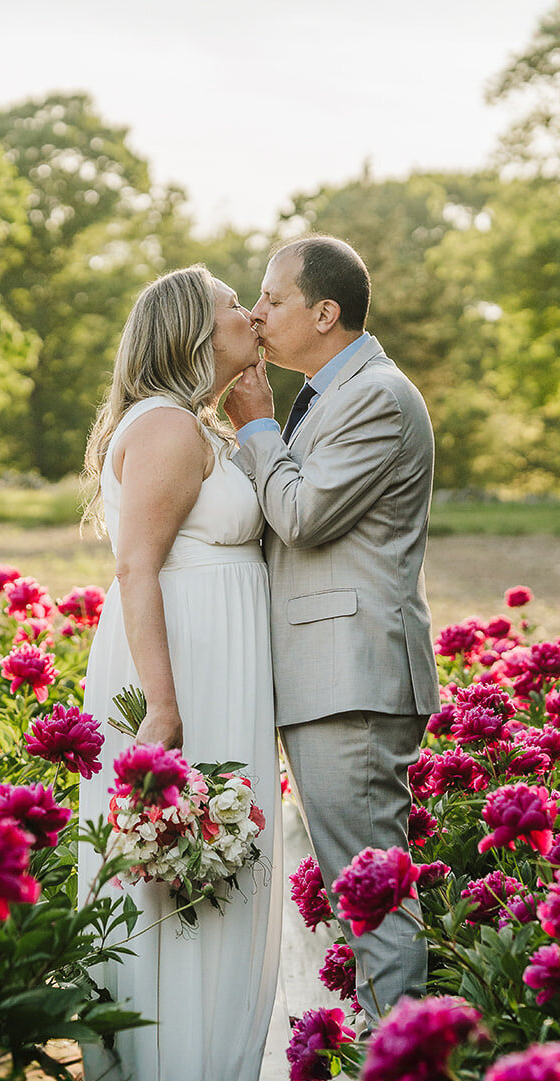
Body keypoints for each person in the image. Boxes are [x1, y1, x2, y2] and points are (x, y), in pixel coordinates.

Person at [224, 235, 440, 1021]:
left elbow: (305, 516)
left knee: (373, 898)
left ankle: (401, 1060)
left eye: (273, 299)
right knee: (362, 891)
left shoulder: (376, 396)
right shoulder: (331, 390)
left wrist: (256, 426)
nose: (256, 312)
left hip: (354, 678)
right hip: (328, 677)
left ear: (325, 311)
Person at [76, 266, 283, 1081]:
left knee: (218, 868)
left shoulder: (201, 425)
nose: (252, 314)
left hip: (220, 668)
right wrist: (161, 706)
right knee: (177, 879)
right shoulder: (165, 427)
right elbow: (136, 569)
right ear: (195, 330)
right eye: (235, 303)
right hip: (181, 673)